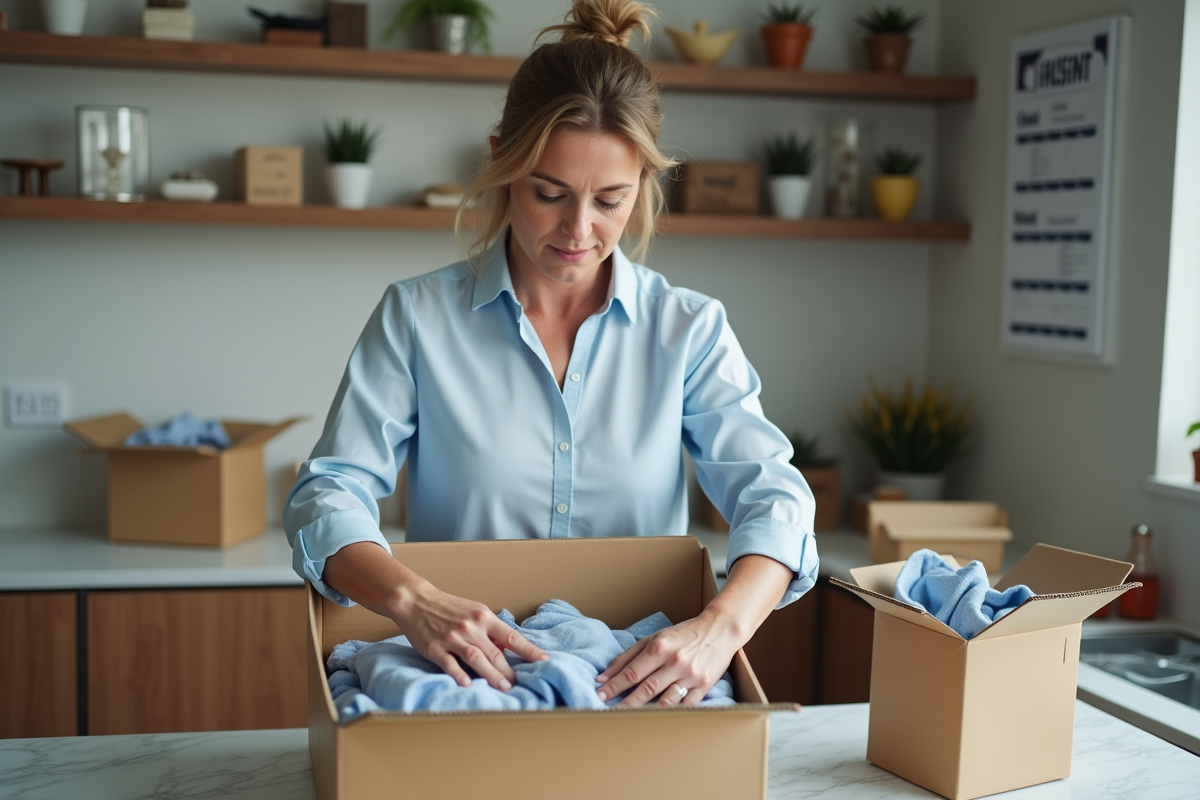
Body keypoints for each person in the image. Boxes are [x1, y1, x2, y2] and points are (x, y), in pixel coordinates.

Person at [284, 0, 818, 709]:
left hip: (636, 692)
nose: (578, 229)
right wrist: (412, 599)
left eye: (610, 200)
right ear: (503, 157)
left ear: (644, 189)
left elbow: (773, 496)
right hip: (469, 684)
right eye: (550, 193)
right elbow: (328, 493)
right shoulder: (417, 318)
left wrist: (721, 626)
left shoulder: (688, 329)